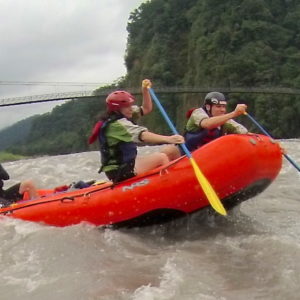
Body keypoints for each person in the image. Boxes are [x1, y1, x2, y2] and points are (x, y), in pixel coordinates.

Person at [89, 79, 184, 183]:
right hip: (119, 170)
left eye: (130, 105)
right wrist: (169, 138)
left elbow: (146, 108)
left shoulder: (125, 112)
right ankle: (170, 184)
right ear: (117, 109)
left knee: (171, 150)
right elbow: (142, 135)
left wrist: (145, 90)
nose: (130, 108)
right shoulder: (117, 125)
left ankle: (183, 175)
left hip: (129, 163)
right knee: (161, 157)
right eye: (126, 107)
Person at [161, 91, 248, 160]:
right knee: (169, 150)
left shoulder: (226, 120)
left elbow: (244, 132)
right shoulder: (198, 113)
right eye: (218, 107)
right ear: (208, 107)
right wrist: (234, 113)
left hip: (208, 157)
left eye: (223, 107)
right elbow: (207, 124)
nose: (222, 110)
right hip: (187, 153)